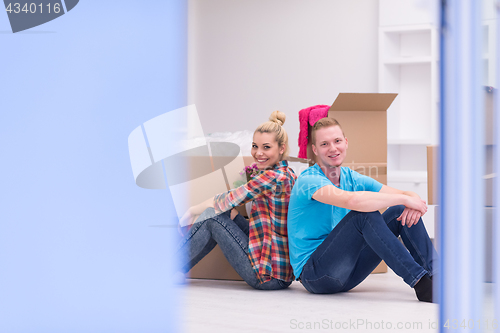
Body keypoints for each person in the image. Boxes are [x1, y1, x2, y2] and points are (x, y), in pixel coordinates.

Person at [287, 117, 437, 302]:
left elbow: (407, 194)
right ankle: (422, 284)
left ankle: (437, 276)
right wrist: (405, 199)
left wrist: (409, 200)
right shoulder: (308, 180)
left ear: (346, 142)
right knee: (363, 215)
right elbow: (353, 201)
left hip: (349, 272)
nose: (333, 148)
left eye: (337, 141)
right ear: (315, 149)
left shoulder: (352, 178)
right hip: (316, 275)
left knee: (399, 210)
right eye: (324, 144)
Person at [177, 111, 297, 290]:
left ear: (281, 148)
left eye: (266, 147)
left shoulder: (273, 177)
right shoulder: (287, 173)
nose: (258, 153)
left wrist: (191, 210)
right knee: (225, 212)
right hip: (278, 268)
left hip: (267, 276)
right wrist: (231, 214)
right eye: (255, 146)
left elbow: (226, 199)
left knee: (211, 216)